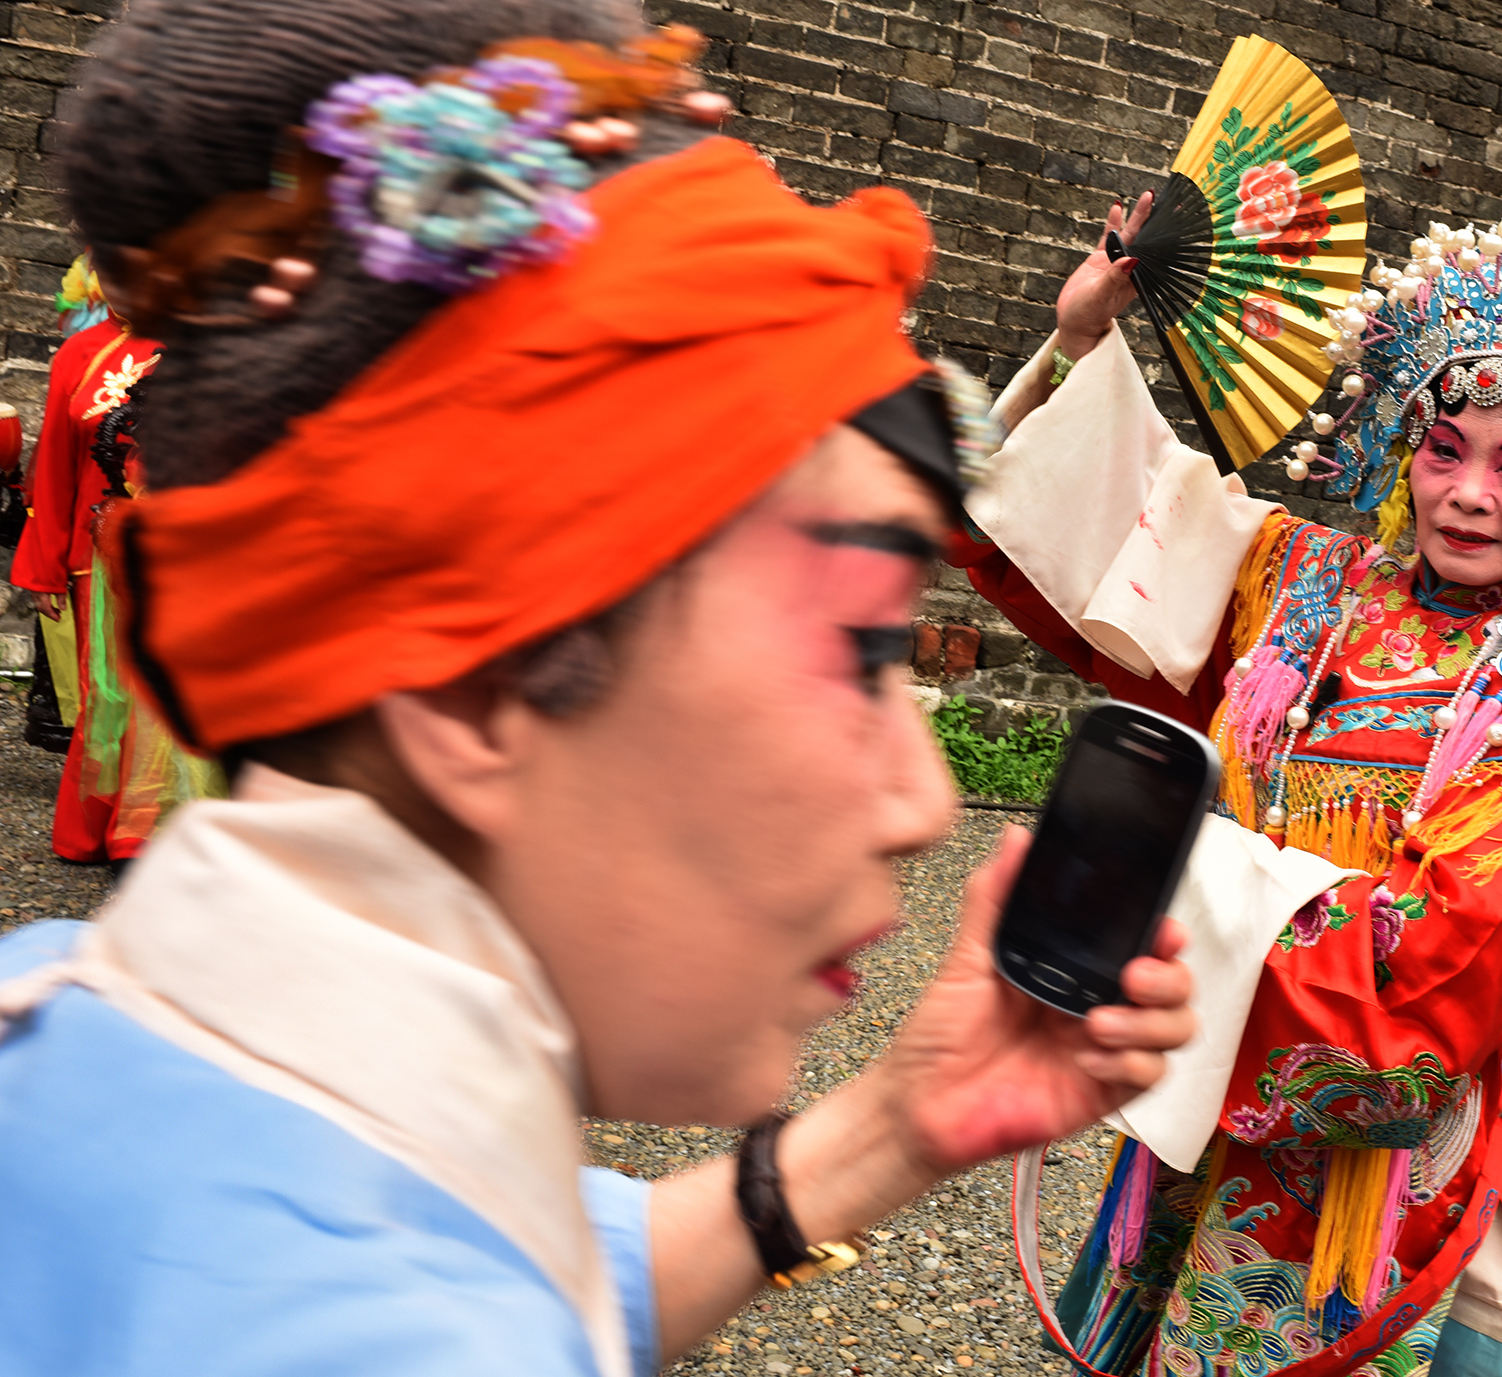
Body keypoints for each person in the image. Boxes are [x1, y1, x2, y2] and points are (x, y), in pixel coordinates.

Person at [0, 4, 1194, 1375]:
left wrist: (890, 1132)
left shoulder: (61, 1012)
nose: (926, 798)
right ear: (465, 685)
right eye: (860, 648)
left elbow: (511, 1266)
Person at [952, 200, 1502, 1375]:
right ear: (1400, 454)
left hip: (1361, 1157)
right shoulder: (1304, 582)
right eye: (1444, 451)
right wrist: (1078, 341)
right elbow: (1123, 544)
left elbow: (1448, 959)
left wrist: (1173, 904)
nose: (1470, 494)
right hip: (1204, 1078)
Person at [9, 268, 225, 866]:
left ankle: (159, 833)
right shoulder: (81, 351)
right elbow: (52, 461)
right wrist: (42, 564)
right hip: (93, 551)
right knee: (106, 693)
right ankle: (98, 833)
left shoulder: (205, 340)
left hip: (184, 549)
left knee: (171, 687)